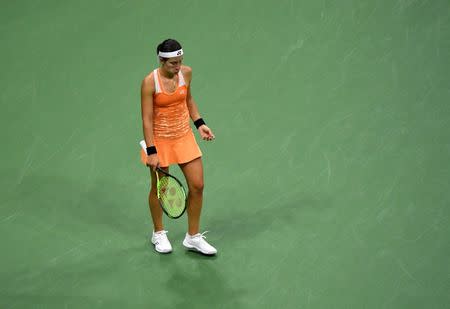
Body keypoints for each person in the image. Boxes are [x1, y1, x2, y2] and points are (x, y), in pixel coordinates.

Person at [139, 39, 217, 255]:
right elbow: (146, 119)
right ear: (162, 61)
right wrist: (152, 151)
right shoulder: (149, 82)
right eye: (173, 63)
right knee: (159, 188)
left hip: (183, 136)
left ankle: (192, 237)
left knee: (198, 185)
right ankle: (159, 233)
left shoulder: (186, 73)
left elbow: (188, 100)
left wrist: (200, 123)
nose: (178, 66)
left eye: (180, 61)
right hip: (160, 141)